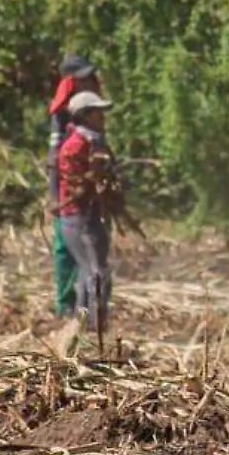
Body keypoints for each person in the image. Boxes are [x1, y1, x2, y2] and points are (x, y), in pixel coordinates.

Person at [55, 91, 142, 336]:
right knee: (97, 274)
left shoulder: (93, 141)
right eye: (97, 112)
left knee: (89, 272)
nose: (102, 117)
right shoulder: (77, 145)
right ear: (85, 116)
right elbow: (80, 184)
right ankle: (95, 330)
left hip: (86, 216)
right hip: (80, 217)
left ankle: (84, 327)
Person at [46, 56, 102, 317]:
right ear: (71, 81)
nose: (88, 82)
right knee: (64, 245)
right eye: (82, 79)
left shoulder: (92, 105)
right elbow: (54, 156)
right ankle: (65, 305)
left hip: (88, 189)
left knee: (92, 244)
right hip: (68, 189)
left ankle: (87, 307)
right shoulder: (62, 112)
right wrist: (55, 196)